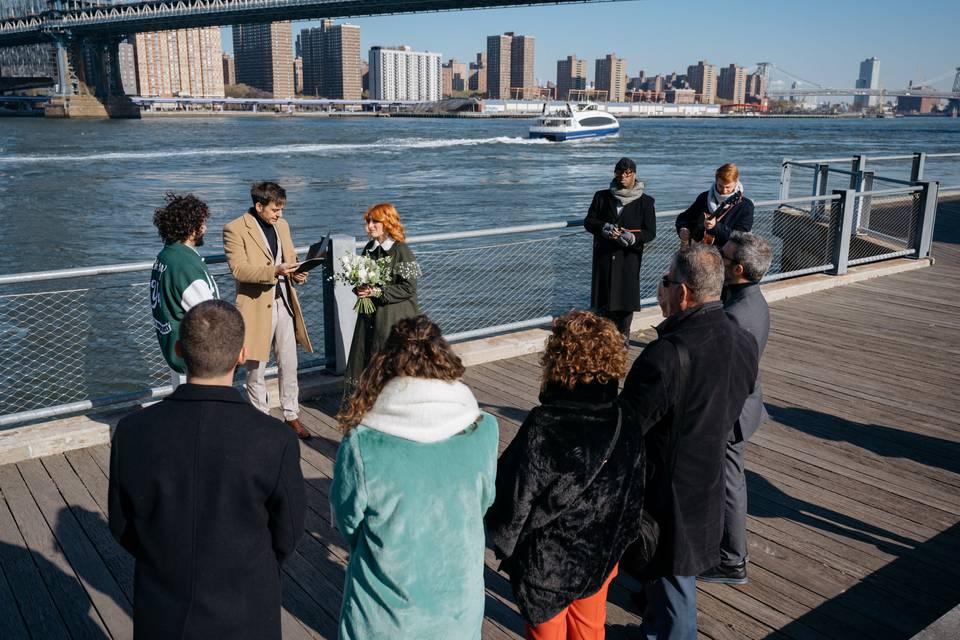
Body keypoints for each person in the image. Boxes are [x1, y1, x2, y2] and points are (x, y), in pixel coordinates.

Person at [108, 300, 306, 640]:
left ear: (180, 350)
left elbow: (122, 526)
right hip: (247, 612)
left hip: (163, 613)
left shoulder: (131, 432)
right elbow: (287, 532)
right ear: (242, 355)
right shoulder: (274, 440)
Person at [618, 244, 759, 639]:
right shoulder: (742, 340)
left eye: (664, 282)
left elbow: (628, 424)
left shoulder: (667, 354)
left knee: (673, 584)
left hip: (665, 496)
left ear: (682, 292)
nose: (659, 290)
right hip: (708, 482)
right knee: (676, 580)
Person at [331, 315, 498, 640]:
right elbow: (483, 501)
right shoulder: (485, 428)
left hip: (384, 618)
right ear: (443, 359)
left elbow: (347, 519)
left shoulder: (363, 443)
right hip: (458, 611)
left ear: (384, 366)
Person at [486, 310, 648, 640]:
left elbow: (514, 499)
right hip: (599, 554)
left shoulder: (545, 424)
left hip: (548, 565)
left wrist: (503, 543)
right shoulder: (625, 417)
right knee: (590, 631)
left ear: (559, 359)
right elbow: (635, 489)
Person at [698, 232, 773, 585]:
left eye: (723, 258)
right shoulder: (754, 300)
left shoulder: (734, 316)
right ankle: (729, 552)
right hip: (746, 403)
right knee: (731, 480)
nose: (718, 260)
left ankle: (732, 560)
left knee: (729, 484)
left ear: (739, 268)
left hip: (731, 412)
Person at [223, 181, 313, 439]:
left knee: (289, 363)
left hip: (285, 303)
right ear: (258, 206)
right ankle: (260, 420)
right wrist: (274, 270)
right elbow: (239, 270)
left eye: (281, 209)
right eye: (275, 209)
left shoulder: (282, 226)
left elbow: (291, 260)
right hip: (254, 308)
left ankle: (291, 415)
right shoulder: (234, 229)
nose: (279, 215)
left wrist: (300, 273)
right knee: (255, 369)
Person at [342, 202, 420, 395]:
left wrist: (376, 292)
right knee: (368, 356)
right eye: (368, 221)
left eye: (375, 221)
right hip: (370, 317)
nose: (369, 226)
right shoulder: (369, 248)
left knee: (391, 360)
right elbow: (362, 278)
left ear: (388, 222)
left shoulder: (402, 251)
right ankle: (370, 406)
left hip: (394, 317)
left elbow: (409, 288)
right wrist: (360, 288)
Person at [149, 193, 219, 388]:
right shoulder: (184, 264)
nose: (205, 228)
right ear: (191, 227)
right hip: (195, 359)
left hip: (174, 346)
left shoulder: (165, 255)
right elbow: (209, 315)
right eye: (202, 222)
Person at [584, 157, 657, 338]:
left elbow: (650, 232)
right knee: (601, 315)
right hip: (604, 261)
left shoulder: (646, 202)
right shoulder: (601, 196)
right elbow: (589, 222)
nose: (623, 177)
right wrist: (604, 228)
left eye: (627, 173)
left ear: (634, 174)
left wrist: (633, 238)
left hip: (628, 262)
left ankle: (622, 349)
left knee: (624, 315)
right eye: (619, 173)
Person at [675, 163, 754, 247]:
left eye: (728, 187)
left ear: (736, 181)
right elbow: (683, 218)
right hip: (700, 251)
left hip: (728, 255)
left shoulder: (746, 205)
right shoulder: (704, 197)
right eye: (720, 186)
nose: (724, 190)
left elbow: (741, 237)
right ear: (716, 180)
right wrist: (682, 229)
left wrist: (716, 227)